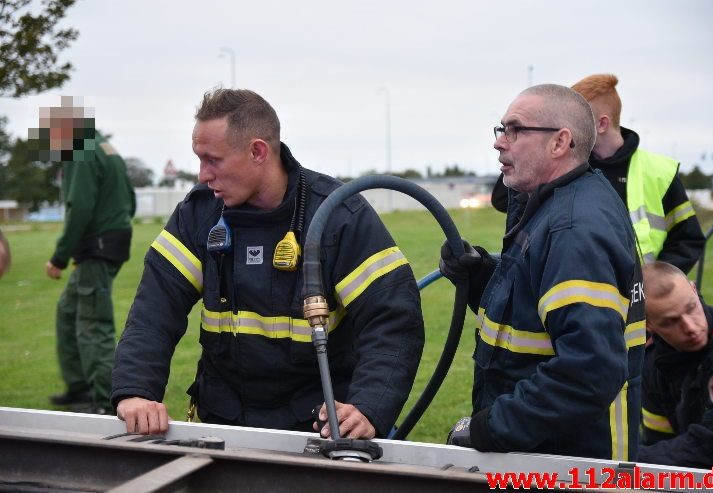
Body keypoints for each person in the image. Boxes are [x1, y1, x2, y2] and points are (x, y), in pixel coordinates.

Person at [111, 89, 424, 439]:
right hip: (224, 425)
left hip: (319, 432)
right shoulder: (198, 215)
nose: (202, 175)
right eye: (199, 159)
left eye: (212, 160)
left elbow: (392, 319)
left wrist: (368, 407)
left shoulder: (339, 218)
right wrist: (135, 389)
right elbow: (155, 310)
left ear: (257, 151)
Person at [441, 84, 645, 460]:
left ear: (559, 142)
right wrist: (480, 275)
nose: (500, 143)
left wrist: (492, 427)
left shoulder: (574, 227)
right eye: (501, 130)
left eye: (515, 130)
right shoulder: (553, 204)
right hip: (545, 450)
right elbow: (536, 304)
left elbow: (589, 371)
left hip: (574, 464)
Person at [491, 74, 705, 274]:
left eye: (580, 116)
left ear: (602, 124)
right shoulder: (568, 166)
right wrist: (527, 157)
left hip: (648, 303)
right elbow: (502, 200)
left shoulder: (659, 171)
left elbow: (687, 240)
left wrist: (655, 285)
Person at [39, 98, 136, 414]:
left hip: (96, 246)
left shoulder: (80, 151)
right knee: (68, 311)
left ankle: (106, 400)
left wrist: (59, 256)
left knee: (93, 324)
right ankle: (79, 388)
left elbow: (78, 208)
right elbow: (131, 200)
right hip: (112, 241)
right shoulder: (106, 147)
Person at [638, 261, 713, 470]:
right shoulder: (652, 364)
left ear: (694, 289)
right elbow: (658, 442)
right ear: (649, 325)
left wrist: (633, 461)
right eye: (670, 322)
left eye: (691, 307)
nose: (691, 327)